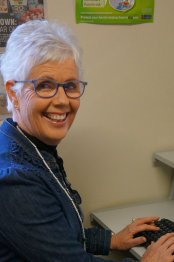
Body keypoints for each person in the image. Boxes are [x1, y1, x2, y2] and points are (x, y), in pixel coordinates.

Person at [0, 19, 174, 262]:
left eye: (70, 85)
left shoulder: (28, 145)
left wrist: (111, 240)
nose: (62, 101)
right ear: (13, 93)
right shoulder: (15, 181)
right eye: (45, 85)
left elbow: (57, 233)